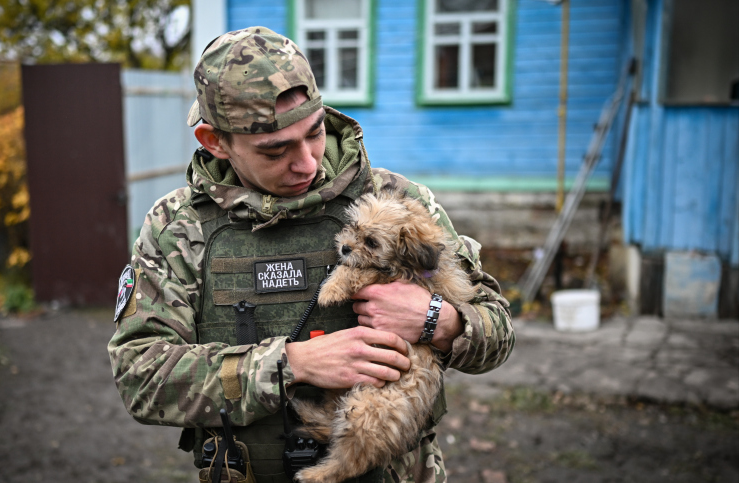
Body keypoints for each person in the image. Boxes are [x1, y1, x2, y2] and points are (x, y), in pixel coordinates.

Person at [108, 26, 514, 483]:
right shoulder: (177, 227)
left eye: (315, 132)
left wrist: (440, 319)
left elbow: (499, 334)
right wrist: (292, 364)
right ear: (214, 141)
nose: (307, 163)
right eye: (275, 150)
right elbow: (140, 377)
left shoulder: (394, 201)